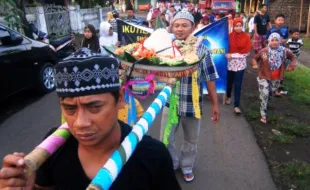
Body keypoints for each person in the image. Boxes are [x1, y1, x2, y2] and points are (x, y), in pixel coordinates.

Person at [0, 48, 181, 189]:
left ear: (120, 98)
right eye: (69, 109)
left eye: (94, 107)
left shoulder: (153, 156)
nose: (80, 123)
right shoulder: (52, 146)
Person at [160, 11, 220, 183]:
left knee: (191, 140)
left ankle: (187, 166)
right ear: (172, 27)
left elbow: (209, 78)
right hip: (169, 103)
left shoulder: (202, 50)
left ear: (193, 28)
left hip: (192, 104)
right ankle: (171, 164)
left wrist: (215, 105)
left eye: (184, 25)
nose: (180, 29)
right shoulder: (166, 47)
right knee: (166, 138)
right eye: (176, 25)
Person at [252, 33, 296, 124]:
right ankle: (263, 115)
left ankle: (265, 103)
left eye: (276, 40)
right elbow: (254, 58)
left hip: (276, 77)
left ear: (279, 41)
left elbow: (293, 57)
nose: (275, 42)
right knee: (265, 94)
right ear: (269, 41)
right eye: (272, 40)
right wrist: (255, 64)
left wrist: (292, 65)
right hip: (263, 76)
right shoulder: (264, 51)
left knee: (271, 93)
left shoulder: (284, 51)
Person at [225, 18, 252, 114]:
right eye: (236, 26)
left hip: (240, 65)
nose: (238, 28)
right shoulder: (229, 36)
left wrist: (232, 55)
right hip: (230, 65)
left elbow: (247, 53)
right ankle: (228, 96)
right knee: (229, 83)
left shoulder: (246, 37)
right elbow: (225, 49)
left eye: (240, 25)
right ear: (233, 26)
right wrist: (227, 55)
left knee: (238, 85)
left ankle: (236, 105)